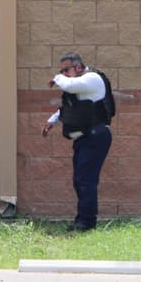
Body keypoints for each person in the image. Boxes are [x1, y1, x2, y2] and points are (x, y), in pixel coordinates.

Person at [42, 52, 114, 232]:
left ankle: (86, 223)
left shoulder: (92, 79)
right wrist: (52, 121)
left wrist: (57, 77)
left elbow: (70, 86)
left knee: (86, 180)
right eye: (62, 70)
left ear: (79, 67)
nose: (64, 73)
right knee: (80, 180)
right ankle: (82, 219)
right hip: (84, 138)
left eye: (67, 69)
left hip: (96, 137)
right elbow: (70, 107)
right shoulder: (77, 85)